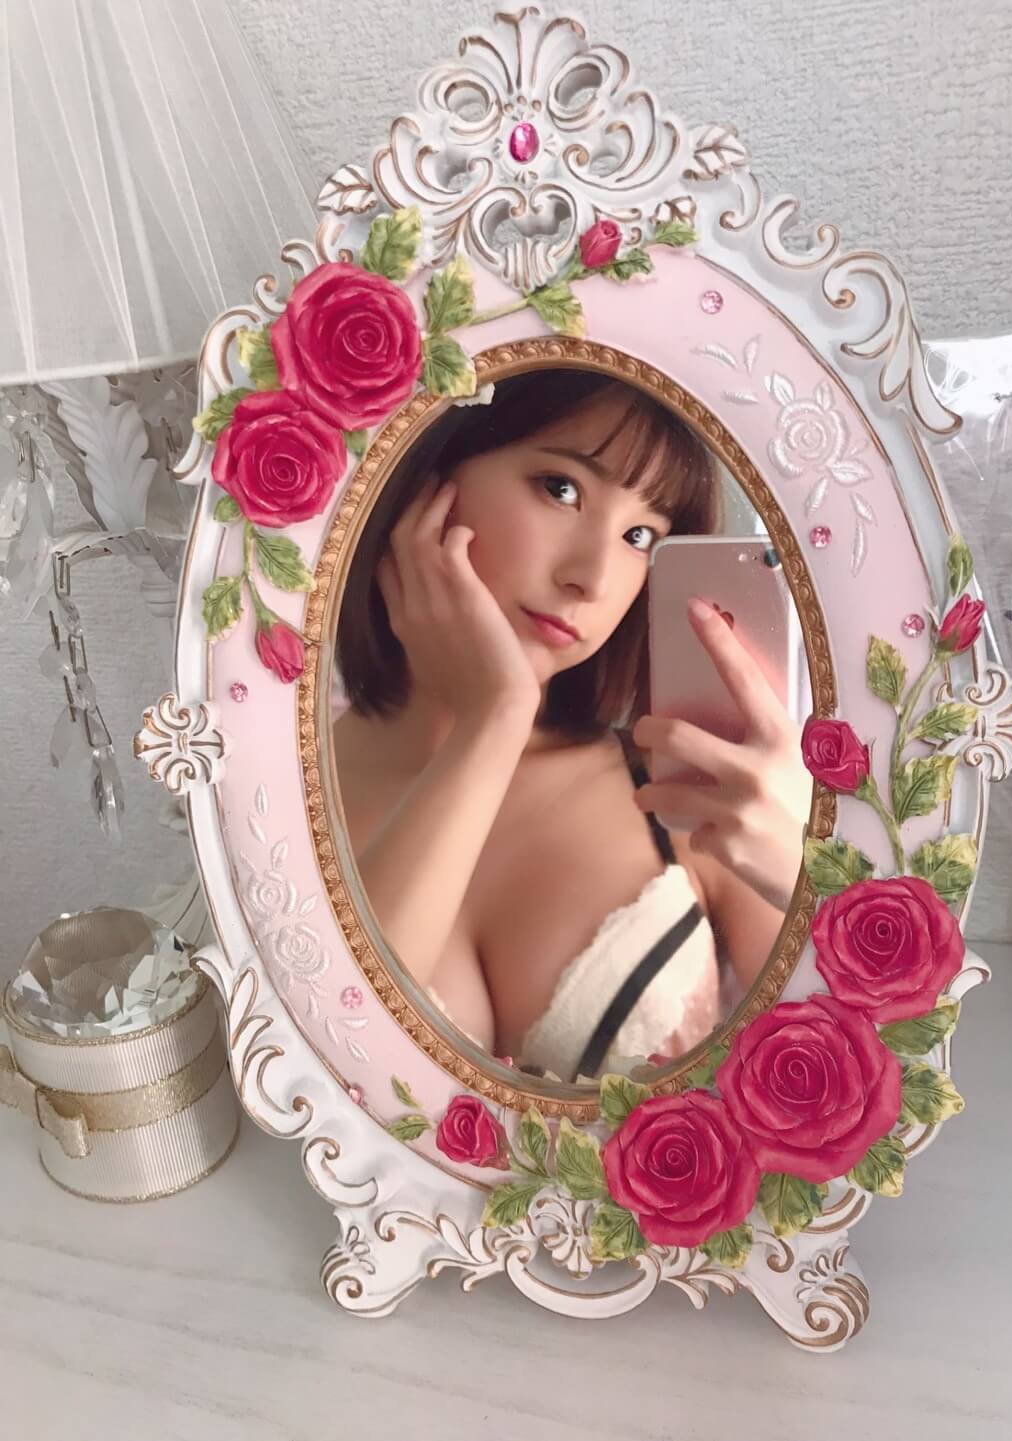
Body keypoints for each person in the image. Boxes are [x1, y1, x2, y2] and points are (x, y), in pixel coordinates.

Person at [332, 368, 810, 1082]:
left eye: (641, 535)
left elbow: (841, 1082)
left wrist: (802, 874)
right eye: (561, 489)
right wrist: (493, 719)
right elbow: (337, 1055)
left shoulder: (687, 789)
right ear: (429, 474)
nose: (594, 577)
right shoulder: (284, 779)